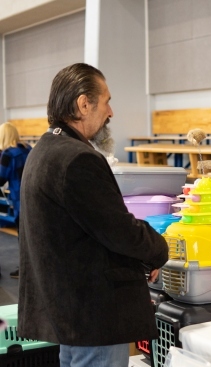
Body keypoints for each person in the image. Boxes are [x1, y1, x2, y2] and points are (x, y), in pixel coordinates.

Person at [17, 63, 168, 367]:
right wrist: (157, 250)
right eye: (107, 100)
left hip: (69, 311)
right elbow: (119, 230)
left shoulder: (44, 149)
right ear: (84, 104)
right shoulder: (78, 159)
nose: (110, 111)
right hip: (94, 312)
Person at [0, 122, 32, 278]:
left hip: (20, 199)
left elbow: (1, 178)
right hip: (34, 196)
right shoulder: (28, 149)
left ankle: (25, 270)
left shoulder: (7, 154)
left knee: (23, 236)